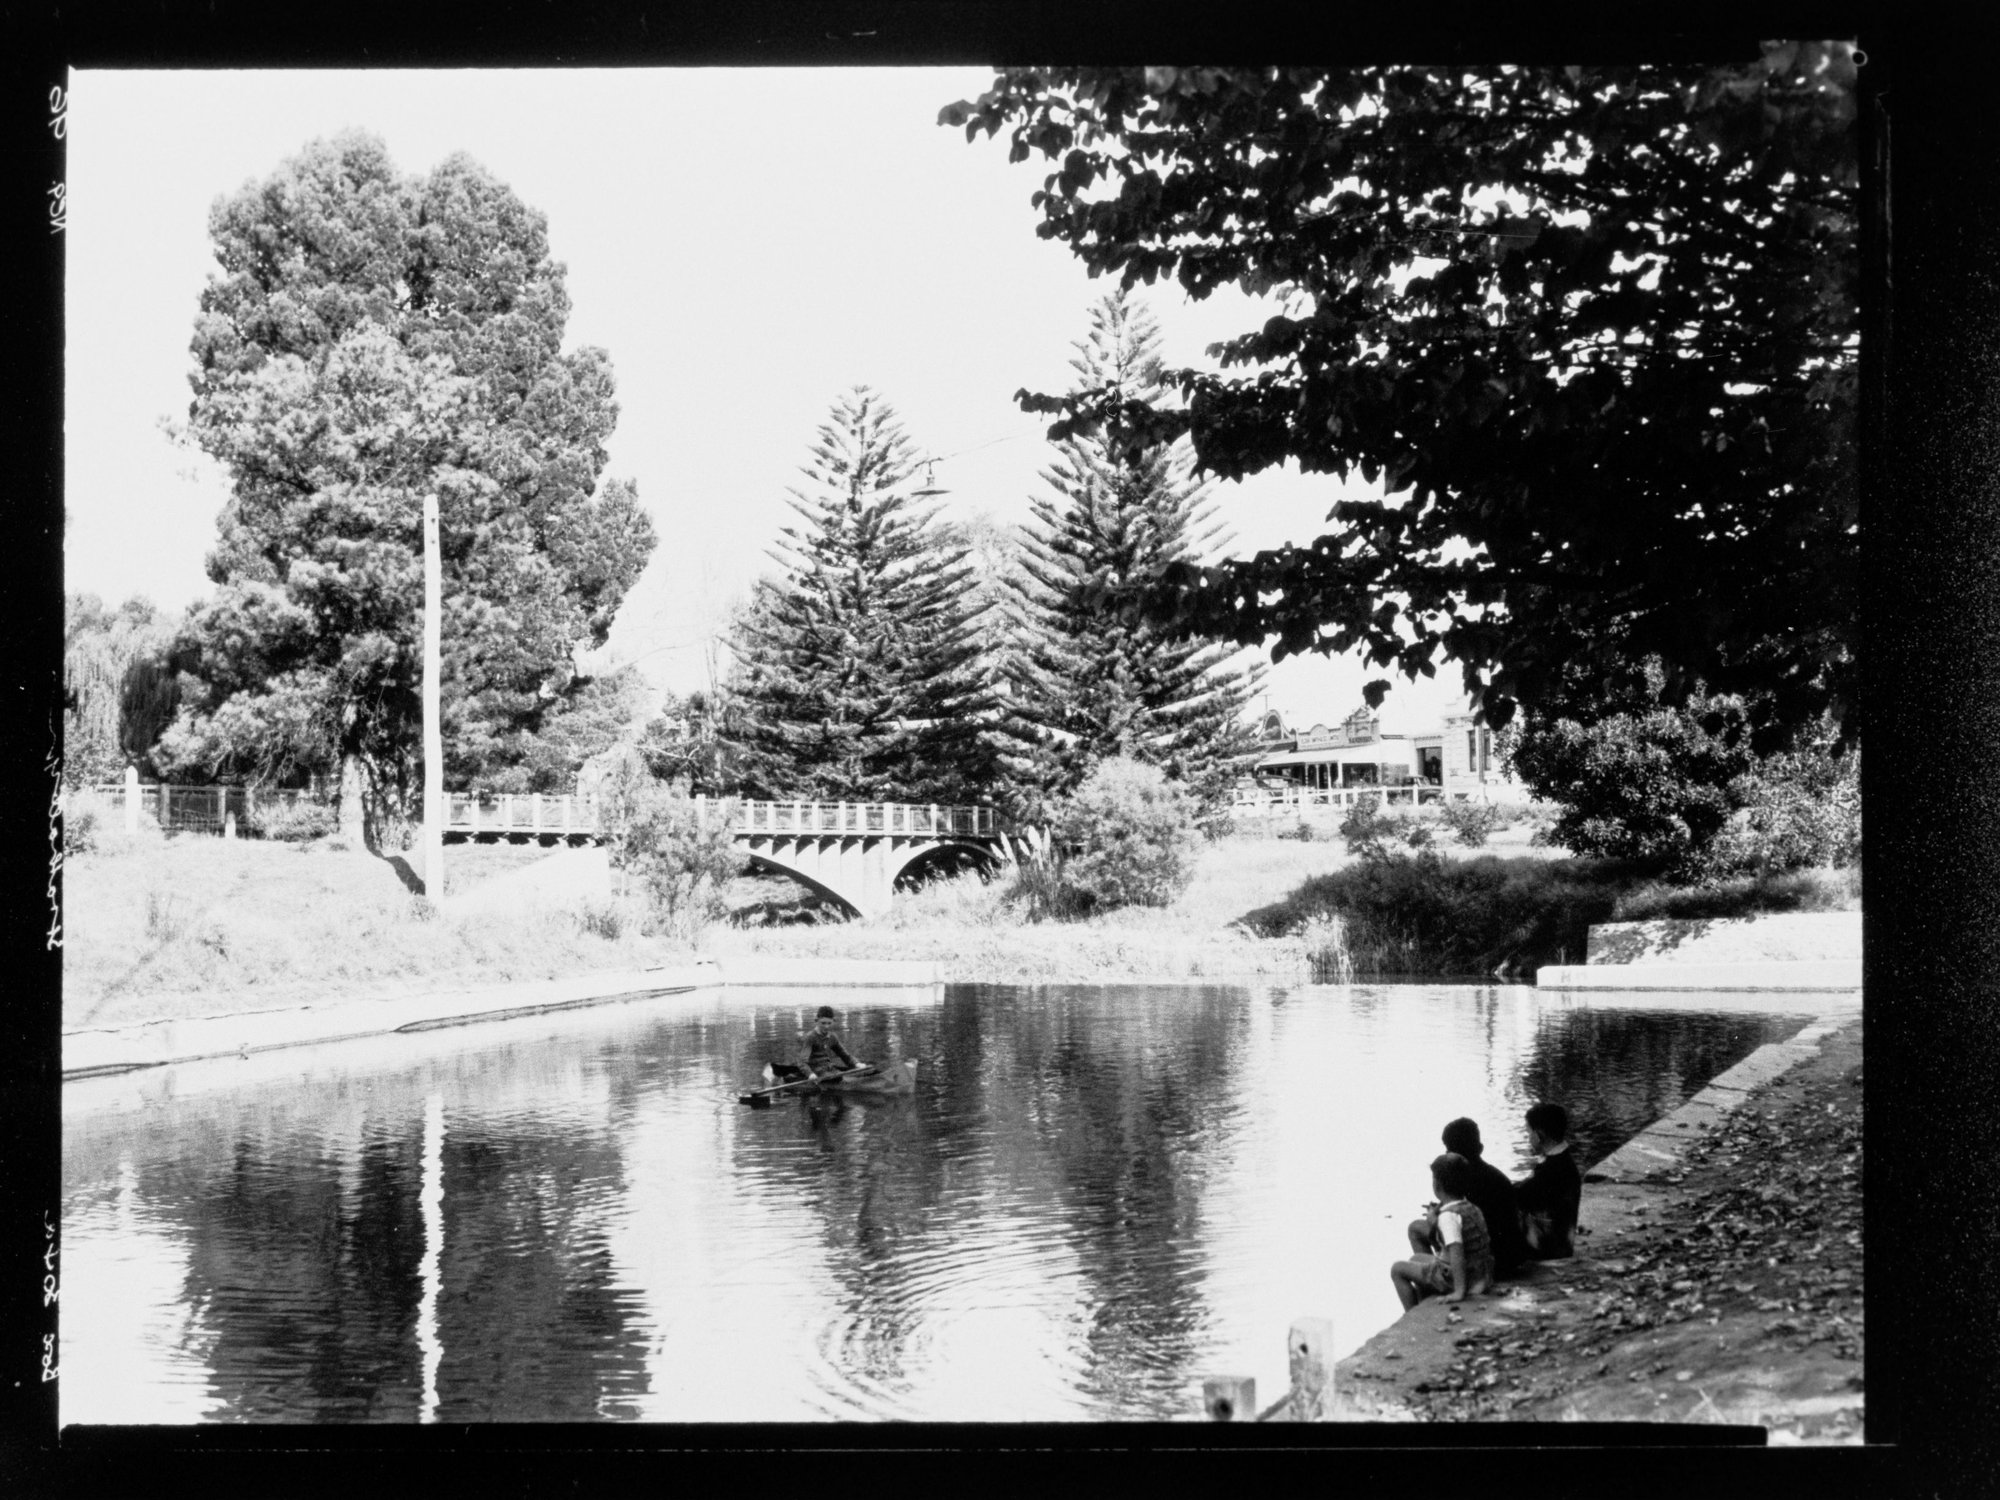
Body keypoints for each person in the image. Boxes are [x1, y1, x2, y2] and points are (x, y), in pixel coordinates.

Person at [1406, 1118, 1526, 1277]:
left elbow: (1459, 1230)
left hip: (1490, 1261)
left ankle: (1438, 1280)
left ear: (1451, 1153)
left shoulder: (1463, 1180)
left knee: (1415, 1228)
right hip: (1511, 1255)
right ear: (1479, 1147)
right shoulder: (1497, 1176)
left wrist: (1434, 1220)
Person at [1390, 1153, 1495, 1310]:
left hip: (1461, 1279)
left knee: (1397, 1269)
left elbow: (1457, 1253)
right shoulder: (1471, 1207)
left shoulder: (1448, 1217)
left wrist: (1459, 1292)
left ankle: (1412, 1313)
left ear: (1437, 1185)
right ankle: (1424, 1306)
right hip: (1481, 1273)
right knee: (1416, 1257)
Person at [1513, 1102, 1583, 1259]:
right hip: (1561, 1239)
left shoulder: (1552, 1170)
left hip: (1549, 1247)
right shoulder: (1562, 1161)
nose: (1528, 1138)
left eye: (1528, 1133)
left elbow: (1522, 1195)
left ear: (1538, 1136)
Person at [798, 1004, 863, 1080]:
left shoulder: (832, 1037)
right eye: (823, 1023)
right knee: (839, 1078)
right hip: (816, 1072)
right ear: (816, 1020)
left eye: (829, 1023)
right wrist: (810, 1074)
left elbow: (845, 1055)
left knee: (842, 1076)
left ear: (833, 1021)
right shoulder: (810, 1037)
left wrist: (857, 1063)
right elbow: (802, 1062)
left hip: (829, 1069)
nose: (826, 1026)